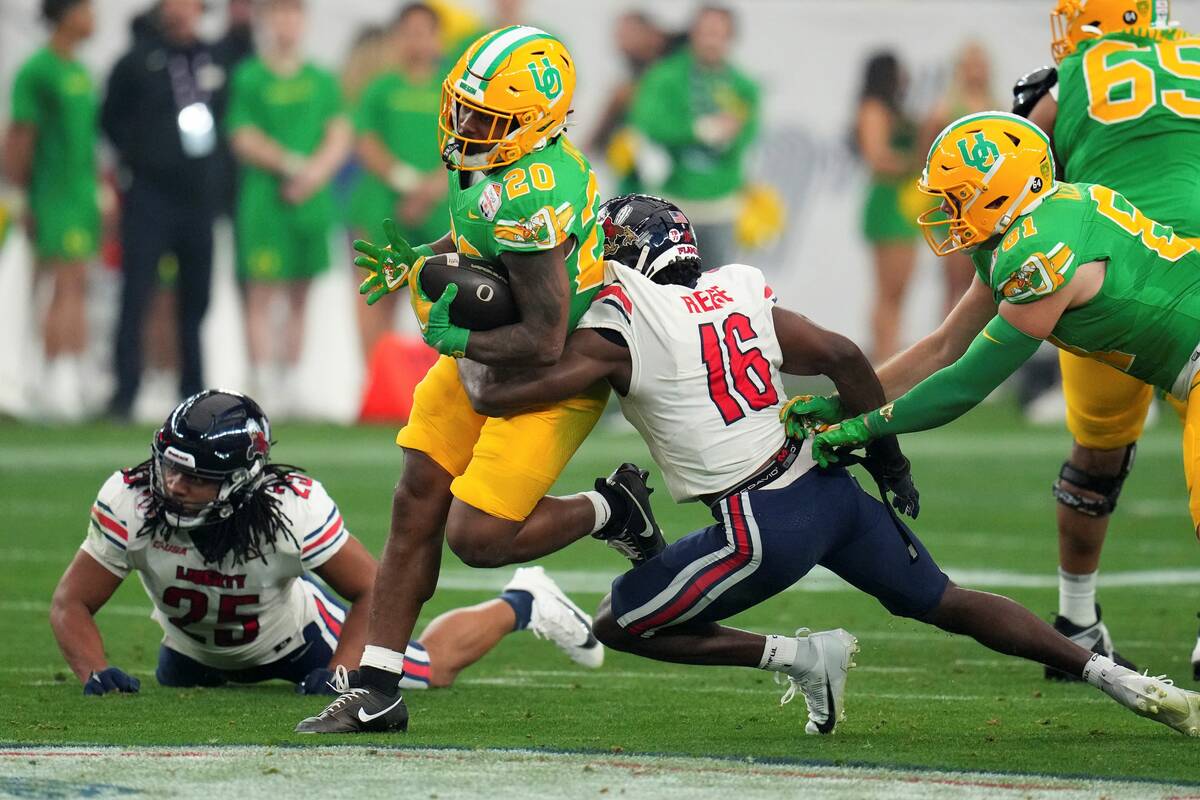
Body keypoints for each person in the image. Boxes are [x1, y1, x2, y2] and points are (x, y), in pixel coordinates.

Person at [460, 193, 1200, 737]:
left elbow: (505, 394)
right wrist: (886, 457)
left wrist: (461, 337)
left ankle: (800, 657)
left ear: (627, 257)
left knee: (620, 623)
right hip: (827, 486)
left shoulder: (621, 327)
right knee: (946, 600)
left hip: (763, 524)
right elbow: (845, 356)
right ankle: (1119, 679)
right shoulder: (737, 291)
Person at [785, 113, 1200, 691]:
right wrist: (844, 403)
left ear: (1004, 190)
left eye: (958, 197)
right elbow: (940, 348)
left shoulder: (1041, 251)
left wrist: (862, 429)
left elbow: (964, 384)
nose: (946, 211)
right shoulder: (1025, 229)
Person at [295, 26, 611, 734]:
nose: (465, 126)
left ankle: (610, 509)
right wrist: (422, 256)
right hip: (484, 351)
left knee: (478, 539)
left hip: (548, 371)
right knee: (415, 499)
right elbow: (476, 236)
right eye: (463, 108)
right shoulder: (494, 163)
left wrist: (458, 337)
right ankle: (377, 687)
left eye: (486, 119)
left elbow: (543, 334)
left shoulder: (535, 192)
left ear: (531, 124)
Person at [49, 390, 600, 699]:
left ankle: (523, 601)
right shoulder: (130, 500)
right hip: (194, 652)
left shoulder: (291, 507)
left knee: (429, 669)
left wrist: (342, 666)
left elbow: (373, 590)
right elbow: (71, 602)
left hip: (301, 641)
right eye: (169, 469)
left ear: (242, 478)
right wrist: (94, 670)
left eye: (195, 478)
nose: (173, 487)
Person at [1008, 0, 1200, 679]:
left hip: (1108, 277)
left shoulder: (1068, 80)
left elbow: (1019, 180)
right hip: (1193, 279)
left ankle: (1076, 618)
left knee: (1097, 456)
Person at [101, 0, 233, 420]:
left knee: (196, 297)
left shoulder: (214, 58)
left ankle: (192, 389)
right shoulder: (137, 60)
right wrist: (141, 156)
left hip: (198, 198)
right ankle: (126, 389)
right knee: (136, 291)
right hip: (149, 195)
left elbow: (227, 118)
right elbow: (109, 119)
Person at [227, 0, 352, 415]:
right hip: (266, 201)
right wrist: (289, 165)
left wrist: (314, 175)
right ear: (266, 22)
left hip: (311, 202)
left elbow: (338, 133)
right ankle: (260, 380)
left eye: (293, 14)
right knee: (262, 293)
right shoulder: (249, 76)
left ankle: (291, 380)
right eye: (278, 14)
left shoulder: (321, 79)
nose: (286, 23)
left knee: (301, 293)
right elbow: (242, 135)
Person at [4, 0, 99, 420]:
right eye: (87, 8)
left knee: (77, 283)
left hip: (80, 193)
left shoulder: (79, 71)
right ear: (66, 14)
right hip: (51, 193)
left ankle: (71, 373)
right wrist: (19, 196)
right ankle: (48, 378)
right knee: (60, 284)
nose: (94, 18)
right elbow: (20, 136)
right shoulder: (37, 71)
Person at [349, 3, 446, 356]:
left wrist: (431, 189)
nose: (416, 41)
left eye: (424, 32)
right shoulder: (380, 90)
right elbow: (366, 141)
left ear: (438, 38)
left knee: (443, 298)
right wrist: (408, 184)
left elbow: (466, 144)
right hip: (383, 209)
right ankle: (377, 383)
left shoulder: (452, 90)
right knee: (379, 291)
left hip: (439, 212)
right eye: (408, 33)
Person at [630, 5, 758, 271]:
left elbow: (749, 134)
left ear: (731, 38)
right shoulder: (664, 77)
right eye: (706, 32)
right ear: (693, 34)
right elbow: (647, 123)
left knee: (716, 287)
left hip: (719, 205)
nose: (711, 40)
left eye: (719, 33)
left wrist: (730, 133)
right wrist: (697, 130)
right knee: (662, 283)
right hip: (670, 202)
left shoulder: (744, 86)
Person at [856, 52, 921, 363]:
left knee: (898, 292)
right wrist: (918, 164)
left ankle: (889, 354)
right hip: (888, 204)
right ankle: (884, 358)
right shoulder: (873, 108)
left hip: (903, 205)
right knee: (889, 291)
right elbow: (877, 157)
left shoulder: (894, 109)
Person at [925, 42, 997, 317]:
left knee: (986, 283)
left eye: (981, 65)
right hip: (958, 204)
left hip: (990, 204)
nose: (977, 72)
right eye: (971, 66)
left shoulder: (996, 107)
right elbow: (928, 157)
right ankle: (950, 344)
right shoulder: (944, 110)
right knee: (955, 283)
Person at [588, 11, 669, 195]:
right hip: (628, 165)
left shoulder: (668, 70)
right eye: (618, 36)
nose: (620, 42)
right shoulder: (630, 71)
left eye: (627, 34)